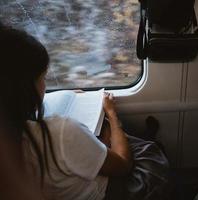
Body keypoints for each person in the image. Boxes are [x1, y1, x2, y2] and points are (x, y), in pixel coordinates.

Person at [0, 25, 169, 200]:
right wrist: (112, 115)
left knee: (102, 138)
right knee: (149, 152)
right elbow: (123, 165)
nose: (45, 86)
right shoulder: (59, 133)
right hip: (108, 192)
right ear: (24, 89)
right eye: (42, 78)